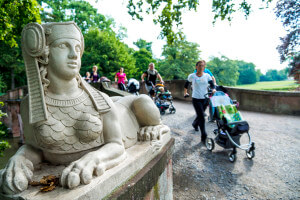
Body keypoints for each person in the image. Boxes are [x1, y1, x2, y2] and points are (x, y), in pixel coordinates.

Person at [0, 22, 170, 194]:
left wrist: (94, 158)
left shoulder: (102, 101)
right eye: (63, 46)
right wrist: (19, 158)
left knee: (142, 101)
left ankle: (158, 125)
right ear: (45, 54)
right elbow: (36, 148)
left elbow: (117, 146)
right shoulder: (30, 104)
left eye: (77, 47)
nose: (74, 55)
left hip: (130, 114)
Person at [186, 60, 216, 143]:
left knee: (200, 114)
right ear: (196, 67)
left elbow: (212, 84)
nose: (201, 67)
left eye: (202, 66)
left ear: (204, 67)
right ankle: (204, 135)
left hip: (205, 98)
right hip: (196, 99)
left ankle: (195, 124)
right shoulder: (192, 76)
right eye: (199, 65)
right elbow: (186, 84)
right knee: (202, 117)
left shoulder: (207, 76)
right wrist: (186, 92)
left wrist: (213, 89)